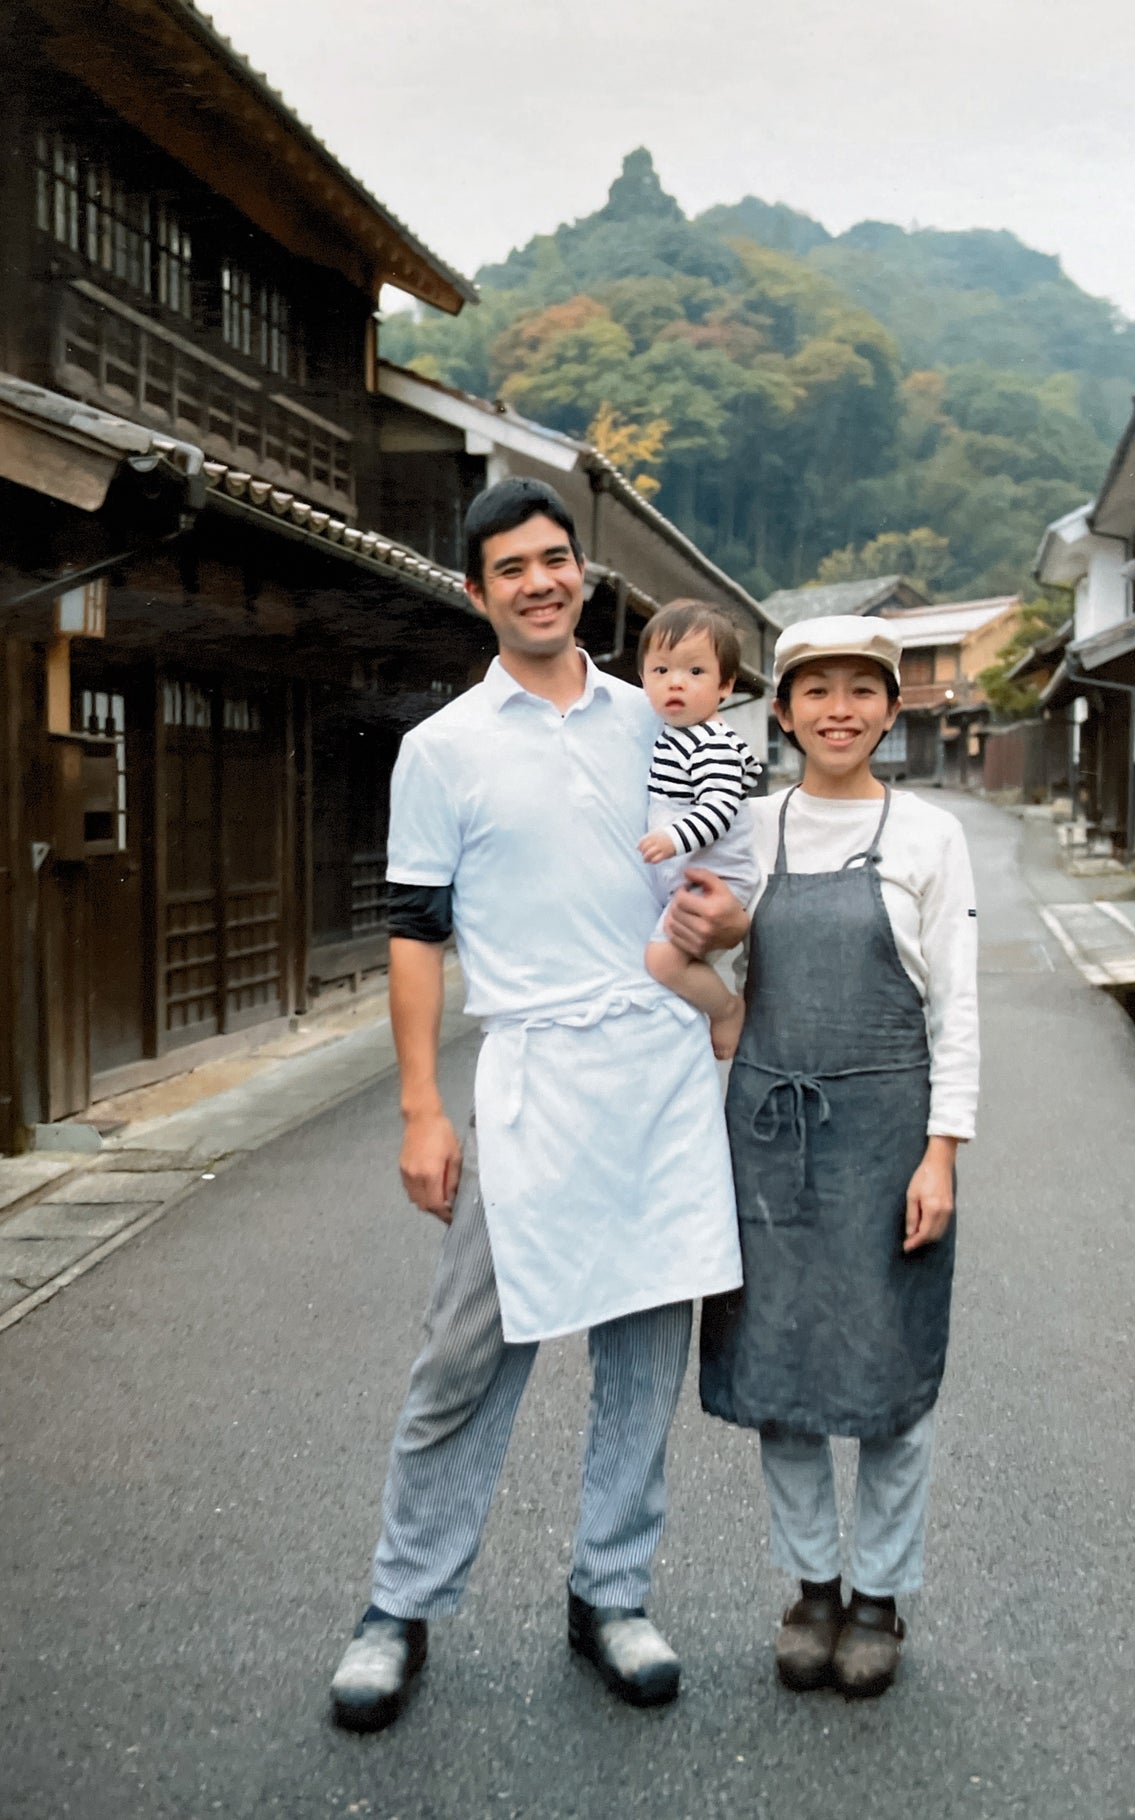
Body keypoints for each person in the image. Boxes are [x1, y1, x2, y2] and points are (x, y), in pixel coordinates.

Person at [329, 478, 747, 1732]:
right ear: (477, 591)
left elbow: (726, 870)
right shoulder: (443, 745)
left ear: (583, 577)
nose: (539, 580)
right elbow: (415, 930)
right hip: (532, 1075)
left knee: (640, 1355)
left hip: (661, 1067)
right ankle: (398, 1604)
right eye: (510, 566)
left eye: (555, 559)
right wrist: (419, 1105)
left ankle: (611, 1591)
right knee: (465, 1356)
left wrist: (735, 922)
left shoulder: (655, 719)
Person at [699, 614, 979, 1700]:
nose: (839, 710)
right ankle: (812, 1584)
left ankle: (879, 1593)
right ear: (781, 710)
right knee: (783, 1372)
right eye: (816, 690)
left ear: (892, 710)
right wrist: (712, 970)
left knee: (889, 1374)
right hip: (769, 1136)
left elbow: (957, 1010)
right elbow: (702, 939)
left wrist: (941, 1151)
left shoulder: (928, 836)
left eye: (863, 690)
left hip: (886, 1134)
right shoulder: (751, 828)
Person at [637, 600, 762, 1058]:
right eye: (661, 669)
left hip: (718, 876)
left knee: (663, 959)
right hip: (693, 874)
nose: (675, 682)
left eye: (694, 672)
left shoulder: (712, 742)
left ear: (725, 685)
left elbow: (719, 808)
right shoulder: (674, 734)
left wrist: (672, 838)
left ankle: (726, 1008)